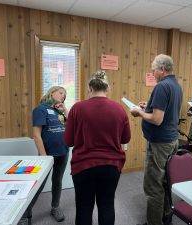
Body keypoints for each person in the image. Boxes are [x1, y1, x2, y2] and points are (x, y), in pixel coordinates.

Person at [64, 70, 131, 225]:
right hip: (111, 166)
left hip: (83, 166)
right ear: (107, 88)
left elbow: (68, 141)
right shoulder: (119, 109)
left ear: (90, 88)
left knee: (83, 207)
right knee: (107, 205)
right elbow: (125, 138)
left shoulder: (77, 108)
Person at [131, 54, 182, 225]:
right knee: (166, 180)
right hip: (171, 140)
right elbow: (163, 112)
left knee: (153, 185)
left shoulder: (162, 86)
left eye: (154, 70)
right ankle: (166, 215)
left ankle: (154, 222)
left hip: (160, 143)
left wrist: (139, 112)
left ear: (162, 69)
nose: (152, 73)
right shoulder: (176, 85)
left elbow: (157, 119)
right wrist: (149, 107)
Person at [32, 86, 69, 222]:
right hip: (47, 155)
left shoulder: (59, 111)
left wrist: (65, 110)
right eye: (61, 93)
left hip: (63, 151)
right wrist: (43, 157)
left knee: (57, 181)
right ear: (52, 92)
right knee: (39, 183)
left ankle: (55, 207)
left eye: (65, 95)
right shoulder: (40, 109)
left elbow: (70, 127)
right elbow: (36, 135)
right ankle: (27, 210)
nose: (63, 96)